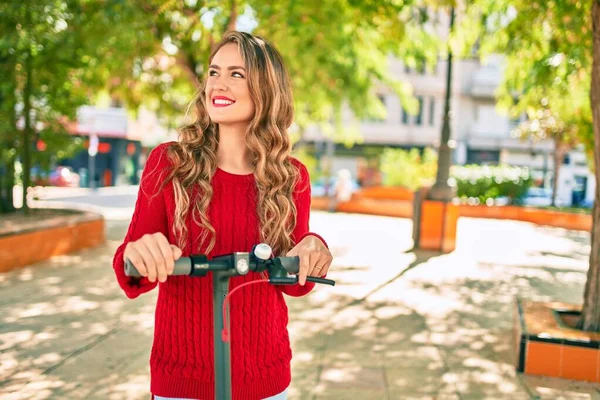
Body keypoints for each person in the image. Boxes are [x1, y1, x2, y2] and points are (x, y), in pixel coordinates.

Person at [112, 31, 333, 400]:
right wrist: (139, 252)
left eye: (237, 74)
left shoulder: (291, 178)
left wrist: (313, 249)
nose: (218, 83)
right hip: (182, 379)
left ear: (266, 89)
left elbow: (295, 282)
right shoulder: (168, 164)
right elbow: (128, 267)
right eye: (214, 72)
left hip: (265, 377)